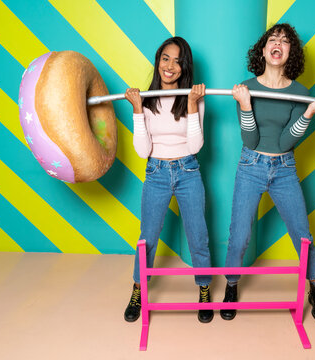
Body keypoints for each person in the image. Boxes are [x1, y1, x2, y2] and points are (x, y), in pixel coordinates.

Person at [221, 23, 315, 322]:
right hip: (250, 166)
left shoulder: (300, 93)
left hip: (284, 169)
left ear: (290, 53)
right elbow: (251, 140)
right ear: (264, 49)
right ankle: (231, 286)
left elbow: (284, 143)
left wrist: (309, 111)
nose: (278, 44)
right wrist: (245, 105)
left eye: (285, 42)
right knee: (240, 235)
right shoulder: (246, 87)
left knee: (302, 234)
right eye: (273, 39)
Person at [123, 37, 213, 324]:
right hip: (156, 174)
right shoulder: (146, 100)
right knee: (147, 238)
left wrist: (191, 105)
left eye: (177, 60)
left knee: (198, 236)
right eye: (165, 58)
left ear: (184, 66)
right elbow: (142, 151)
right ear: (158, 61)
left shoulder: (195, 98)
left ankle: (204, 288)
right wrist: (138, 109)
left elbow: (196, 145)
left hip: (188, 172)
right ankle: (139, 289)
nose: (170, 66)